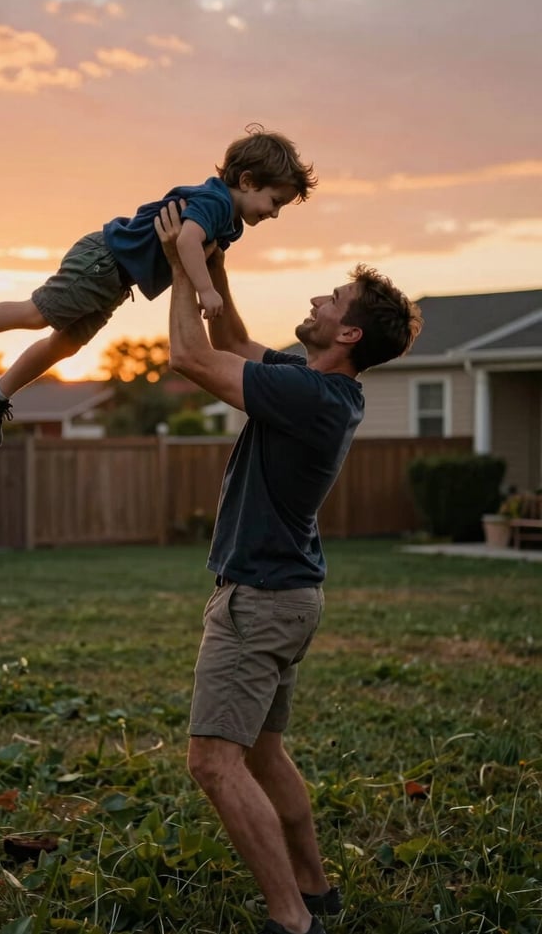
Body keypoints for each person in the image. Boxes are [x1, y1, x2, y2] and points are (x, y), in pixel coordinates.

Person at [154, 201, 423, 934]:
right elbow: (232, 337)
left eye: (332, 298)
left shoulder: (310, 396)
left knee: (213, 761)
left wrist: (181, 264)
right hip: (291, 594)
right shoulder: (319, 388)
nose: (315, 298)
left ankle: (291, 920)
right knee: (265, 753)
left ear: (349, 332)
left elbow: (189, 355)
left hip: (261, 600)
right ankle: (315, 888)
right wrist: (215, 259)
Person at [0, 125, 316, 446]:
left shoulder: (229, 224)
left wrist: (208, 282)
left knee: (66, 344)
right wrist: (205, 291)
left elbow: (203, 252)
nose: (275, 214)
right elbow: (188, 239)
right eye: (275, 201)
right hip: (104, 259)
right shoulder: (216, 202)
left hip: (116, 280)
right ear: (247, 180)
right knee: (37, 313)